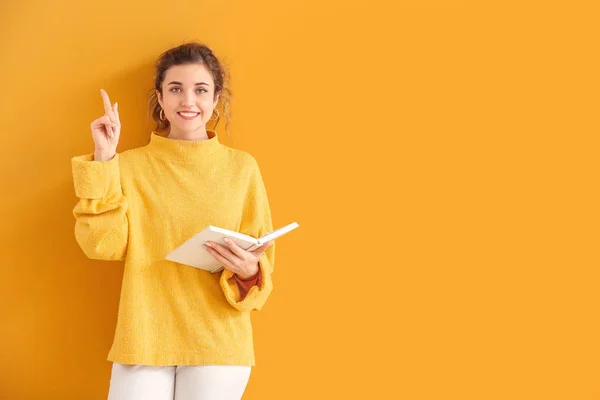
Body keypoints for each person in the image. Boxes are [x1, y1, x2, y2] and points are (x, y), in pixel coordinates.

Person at [71, 42, 276, 400]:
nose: (188, 101)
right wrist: (105, 160)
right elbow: (102, 246)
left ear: (216, 100)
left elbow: (260, 265)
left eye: (200, 90)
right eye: (176, 89)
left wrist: (248, 271)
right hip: (145, 335)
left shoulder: (242, 168)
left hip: (219, 342)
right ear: (160, 98)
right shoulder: (129, 166)